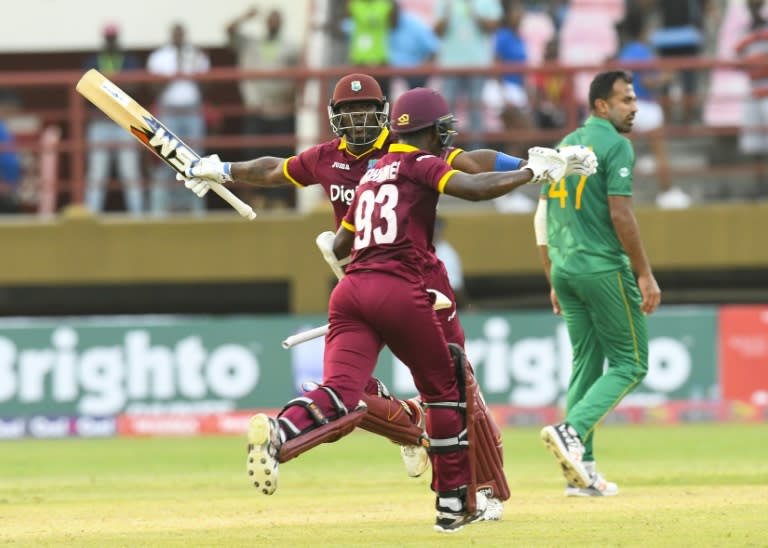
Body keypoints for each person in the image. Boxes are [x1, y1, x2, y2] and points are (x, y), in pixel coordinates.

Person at [179, 72, 597, 519]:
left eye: (367, 111)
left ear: (385, 115)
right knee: (363, 392)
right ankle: (426, 448)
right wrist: (222, 168)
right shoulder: (327, 157)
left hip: (416, 278)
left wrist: (528, 165)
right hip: (366, 274)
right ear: (335, 117)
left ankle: (481, 487)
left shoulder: (406, 148)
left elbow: (472, 165)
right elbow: (272, 169)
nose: (359, 120)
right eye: (350, 112)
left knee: (457, 388)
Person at [535, 70, 661, 497]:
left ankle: (583, 473)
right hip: (602, 267)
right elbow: (621, 214)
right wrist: (644, 272)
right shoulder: (615, 145)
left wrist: (552, 274)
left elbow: (543, 216)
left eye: (634, 98)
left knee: (586, 365)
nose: (635, 106)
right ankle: (572, 431)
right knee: (631, 363)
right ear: (602, 106)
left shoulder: (563, 145)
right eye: (626, 99)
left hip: (566, 268)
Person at [226, 6, 301, 209]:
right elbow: (229, 30)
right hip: (256, 110)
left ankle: (279, 200)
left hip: (281, 111)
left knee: (282, 156)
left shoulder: (291, 46)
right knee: (254, 156)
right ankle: (256, 199)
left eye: (277, 19)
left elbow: (300, 74)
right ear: (265, 21)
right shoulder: (251, 43)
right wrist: (245, 16)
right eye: (270, 19)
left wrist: (293, 97)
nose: (273, 22)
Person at [617, 9, 692, 209]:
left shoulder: (624, 53)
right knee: (660, 154)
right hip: (645, 107)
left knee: (624, 157)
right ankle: (666, 192)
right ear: (644, 30)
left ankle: (618, 197)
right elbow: (648, 81)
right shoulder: (643, 51)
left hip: (625, 108)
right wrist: (667, 77)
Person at [147, 22, 210, 216]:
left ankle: (196, 210)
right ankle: (161, 212)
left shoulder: (197, 55)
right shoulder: (159, 57)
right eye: (176, 33)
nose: (179, 37)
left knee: (197, 161)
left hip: (192, 111)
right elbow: (153, 88)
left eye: (181, 33)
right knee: (167, 159)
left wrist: (192, 70)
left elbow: (207, 86)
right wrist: (176, 71)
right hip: (168, 111)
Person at [83, 23, 144, 215]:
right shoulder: (93, 60)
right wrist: (117, 84)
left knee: (130, 172)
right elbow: (85, 90)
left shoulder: (129, 60)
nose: (110, 42)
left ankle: (138, 216)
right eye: (108, 38)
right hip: (100, 122)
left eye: (113, 38)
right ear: (104, 39)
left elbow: (135, 87)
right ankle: (91, 215)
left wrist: (106, 85)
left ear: (117, 39)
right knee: (97, 174)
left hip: (124, 122)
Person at [434, 0, 503, 149]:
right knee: (447, 109)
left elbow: (493, 27)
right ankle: (445, 149)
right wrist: (446, 15)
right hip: (451, 64)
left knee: (475, 109)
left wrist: (474, 11)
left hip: (477, 64)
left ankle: (477, 151)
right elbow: (437, 31)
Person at [735, 0, 768, 198]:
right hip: (753, 90)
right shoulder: (743, 31)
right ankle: (760, 186)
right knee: (755, 143)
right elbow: (738, 60)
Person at [387, 1, 439, 94]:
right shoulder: (377, 26)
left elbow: (433, 50)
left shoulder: (414, 25)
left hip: (413, 75)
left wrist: (422, 68)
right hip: (387, 75)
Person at [433, 217, 469, 310]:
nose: (434, 233)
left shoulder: (447, 254)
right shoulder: (413, 248)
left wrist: (466, 306)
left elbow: (455, 287)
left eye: (436, 229)